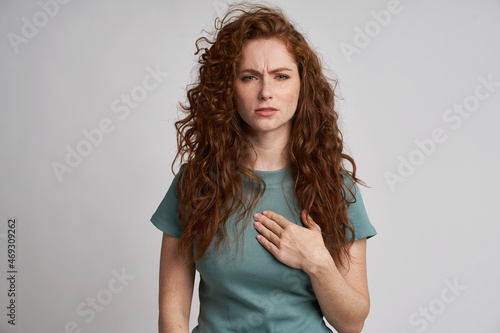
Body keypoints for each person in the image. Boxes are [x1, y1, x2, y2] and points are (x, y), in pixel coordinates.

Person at [150, 3, 377, 332]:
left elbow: (353, 323)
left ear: (302, 86)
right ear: (229, 89)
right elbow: (172, 311)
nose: (266, 92)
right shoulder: (196, 183)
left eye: (281, 76)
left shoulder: (336, 187)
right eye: (250, 77)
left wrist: (319, 263)